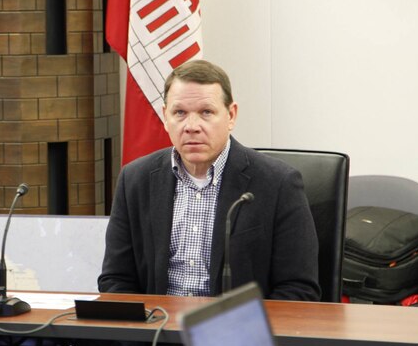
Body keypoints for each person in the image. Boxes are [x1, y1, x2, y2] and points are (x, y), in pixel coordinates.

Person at [98, 60, 320, 300]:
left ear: (231, 115)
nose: (192, 126)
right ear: (165, 116)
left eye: (206, 112)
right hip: (156, 329)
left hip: (237, 332)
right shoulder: (135, 179)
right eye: (180, 113)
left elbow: (298, 289)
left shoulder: (278, 184)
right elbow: (116, 279)